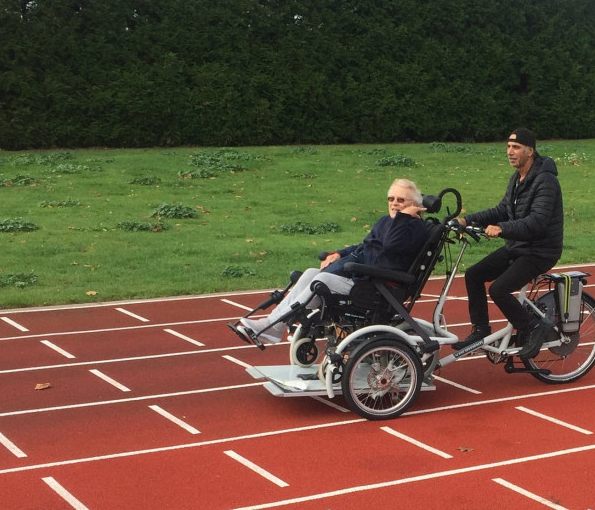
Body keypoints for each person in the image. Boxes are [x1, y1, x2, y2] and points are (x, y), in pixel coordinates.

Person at [233, 178, 430, 346]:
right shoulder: (386, 221)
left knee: (322, 281)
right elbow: (364, 246)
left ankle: (272, 326)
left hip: (379, 286)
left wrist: (403, 218)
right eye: (391, 198)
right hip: (363, 276)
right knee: (311, 273)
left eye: (401, 200)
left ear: (414, 206)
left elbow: (390, 245)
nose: (394, 203)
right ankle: (273, 326)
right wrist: (339, 253)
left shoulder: (416, 228)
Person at [450, 128, 563, 360]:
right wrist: (467, 219)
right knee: (473, 275)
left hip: (540, 250)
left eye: (516, 148)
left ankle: (533, 327)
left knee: (499, 289)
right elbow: (502, 210)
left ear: (530, 151)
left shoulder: (546, 181)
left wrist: (503, 229)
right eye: (508, 147)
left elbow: (537, 222)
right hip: (518, 246)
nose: (510, 152)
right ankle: (480, 330)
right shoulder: (516, 178)